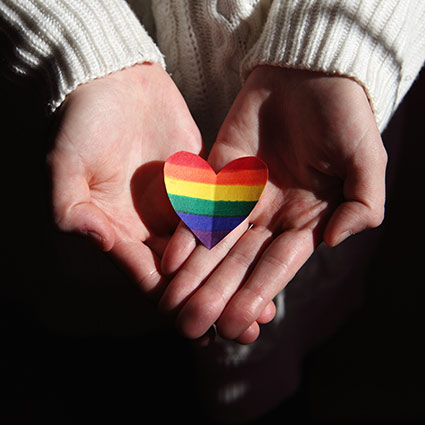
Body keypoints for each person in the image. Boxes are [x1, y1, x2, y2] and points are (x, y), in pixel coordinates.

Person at [1, 0, 424, 420]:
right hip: (111, 211)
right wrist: (78, 43)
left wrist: (337, 47)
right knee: (110, 373)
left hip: (304, 202)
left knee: (300, 346)